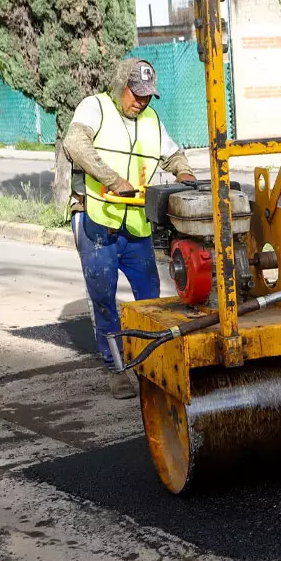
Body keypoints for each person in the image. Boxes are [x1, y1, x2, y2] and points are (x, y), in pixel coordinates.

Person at [63, 58, 197, 399]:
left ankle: (148, 364)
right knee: (105, 301)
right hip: (100, 225)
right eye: (136, 94)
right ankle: (116, 369)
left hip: (136, 228)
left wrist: (185, 174)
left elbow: (174, 154)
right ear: (121, 85)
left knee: (150, 303)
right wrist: (111, 179)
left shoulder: (151, 120)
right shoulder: (96, 108)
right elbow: (75, 145)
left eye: (148, 95)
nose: (141, 101)